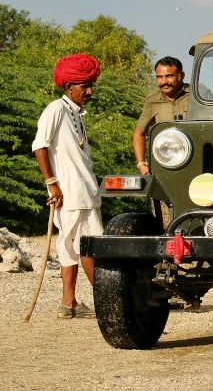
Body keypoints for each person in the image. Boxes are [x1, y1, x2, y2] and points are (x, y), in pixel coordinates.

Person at [32, 53, 103, 319]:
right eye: (84, 86)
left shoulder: (76, 114)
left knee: (71, 245)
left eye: (90, 85)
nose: (89, 91)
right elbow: (40, 146)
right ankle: (107, 298)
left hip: (83, 190)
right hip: (71, 192)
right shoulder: (56, 109)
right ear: (68, 87)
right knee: (90, 245)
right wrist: (52, 185)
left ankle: (68, 302)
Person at [132, 56, 190, 175]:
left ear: (181, 76)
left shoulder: (198, 94)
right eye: (159, 77)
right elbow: (139, 133)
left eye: (169, 76)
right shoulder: (152, 100)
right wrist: (141, 164)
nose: (164, 82)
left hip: (194, 161)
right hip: (164, 164)